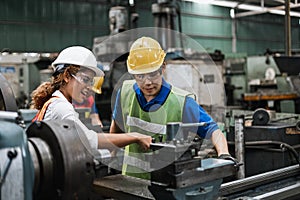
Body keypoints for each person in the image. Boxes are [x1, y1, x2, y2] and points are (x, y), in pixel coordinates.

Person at [110, 37, 237, 179]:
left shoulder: (181, 102)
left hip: (165, 184)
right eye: (140, 76)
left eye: (152, 74)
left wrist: (224, 154)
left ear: (163, 67)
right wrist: (111, 156)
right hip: (131, 181)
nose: (148, 82)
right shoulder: (125, 92)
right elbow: (116, 126)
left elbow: (212, 129)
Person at [31, 46, 151, 151]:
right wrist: (134, 136)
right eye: (85, 80)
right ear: (67, 76)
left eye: (91, 82)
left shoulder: (55, 101)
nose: (89, 87)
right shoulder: (61, 106)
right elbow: (89, 140)